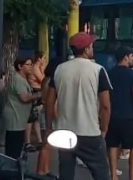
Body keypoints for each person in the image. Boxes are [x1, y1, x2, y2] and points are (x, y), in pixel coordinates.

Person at [46, 32, 112, 180]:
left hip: (64, 132)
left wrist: (50, 127)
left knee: (66, 173)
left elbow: (49, 102)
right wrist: (104, 129)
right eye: (91, 45)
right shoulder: (98, 70)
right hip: (89, 132)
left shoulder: (59, 69)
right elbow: (106, 105)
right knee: (101, 173)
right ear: (87, 49)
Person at [106, 47, 133, 180]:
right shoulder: (132, 74)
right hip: (128, 116)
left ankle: (114, 175)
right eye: (131, 56)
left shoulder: (109, 73)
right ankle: (132, 177)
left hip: (112, 116)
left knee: (113, 145)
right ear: (125, 57)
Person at [2, 56, 41, 159]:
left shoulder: (22, 79)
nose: (30, 67)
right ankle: (10, 170)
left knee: (16, 146)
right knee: (13, 148)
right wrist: (38, 95)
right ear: (20, 66)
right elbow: (24, 98)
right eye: (27, 65)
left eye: (31, 64)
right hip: (15, 118)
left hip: (19, 118)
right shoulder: (18, 79)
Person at [26, 51, 46, 147]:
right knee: (31, 118)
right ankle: (27, 141)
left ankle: (39, 140)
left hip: (38, 91)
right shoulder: (35, 68)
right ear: (39, 59)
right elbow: (43, 80)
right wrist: (42, 68)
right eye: (43, 58)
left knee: (36, 118)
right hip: (35, 91)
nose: (44, 60)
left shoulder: (38, 68)